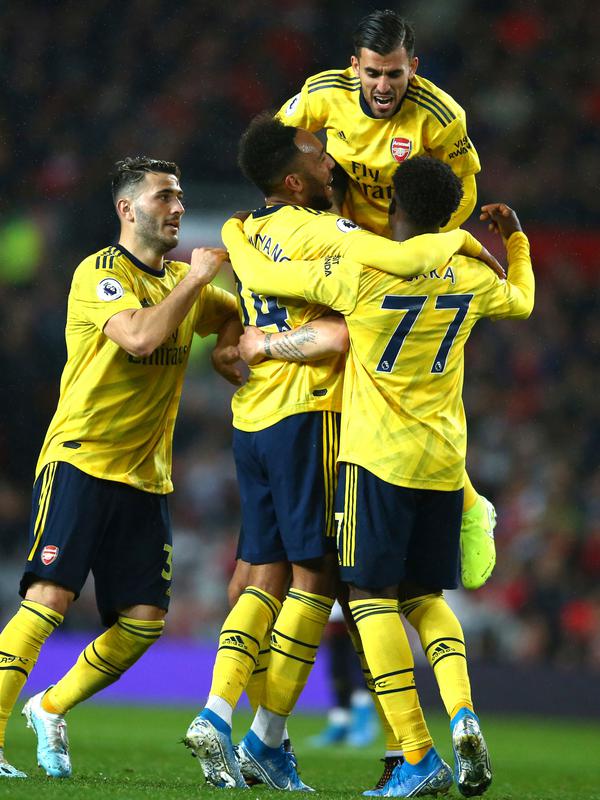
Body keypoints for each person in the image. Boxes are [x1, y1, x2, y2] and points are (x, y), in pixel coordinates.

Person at [183, 114, 500, 792]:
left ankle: (227, 713)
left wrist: (237, 249)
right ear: (294, 179)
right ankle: (276, 736)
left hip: (252, 418)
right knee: (323, 582)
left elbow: (254, 284)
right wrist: (467, 244)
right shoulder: (332, 232)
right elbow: (348, 326)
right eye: (316, 154)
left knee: (265, 573)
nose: (333, 161)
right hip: (315, 415)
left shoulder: (250, 230)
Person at [0, 156, 241, 780]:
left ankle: (51, 706)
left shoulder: (188, 288)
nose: (178, 207)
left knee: (142, 624)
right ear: (126, 210)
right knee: (49, 598)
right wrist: (196, 282)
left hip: (146, 477)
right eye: (164, 196)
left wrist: (227, 350)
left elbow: (231, 315)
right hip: (81, 459)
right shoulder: (99, 274)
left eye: (181, 195)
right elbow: (137, 338)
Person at [277, 9, 495, 592]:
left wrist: (427, 245)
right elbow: (279, 145)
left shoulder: (442, 116)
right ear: (355, 68)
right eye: (373, 73)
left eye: (395, 74)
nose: (382, 86)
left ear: (413, 69)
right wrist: (311, 193)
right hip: (349, 254)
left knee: (413, 388)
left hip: (404, 261)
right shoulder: (323, 94)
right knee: (348, 377)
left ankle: (470, 507)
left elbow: (465, 187)